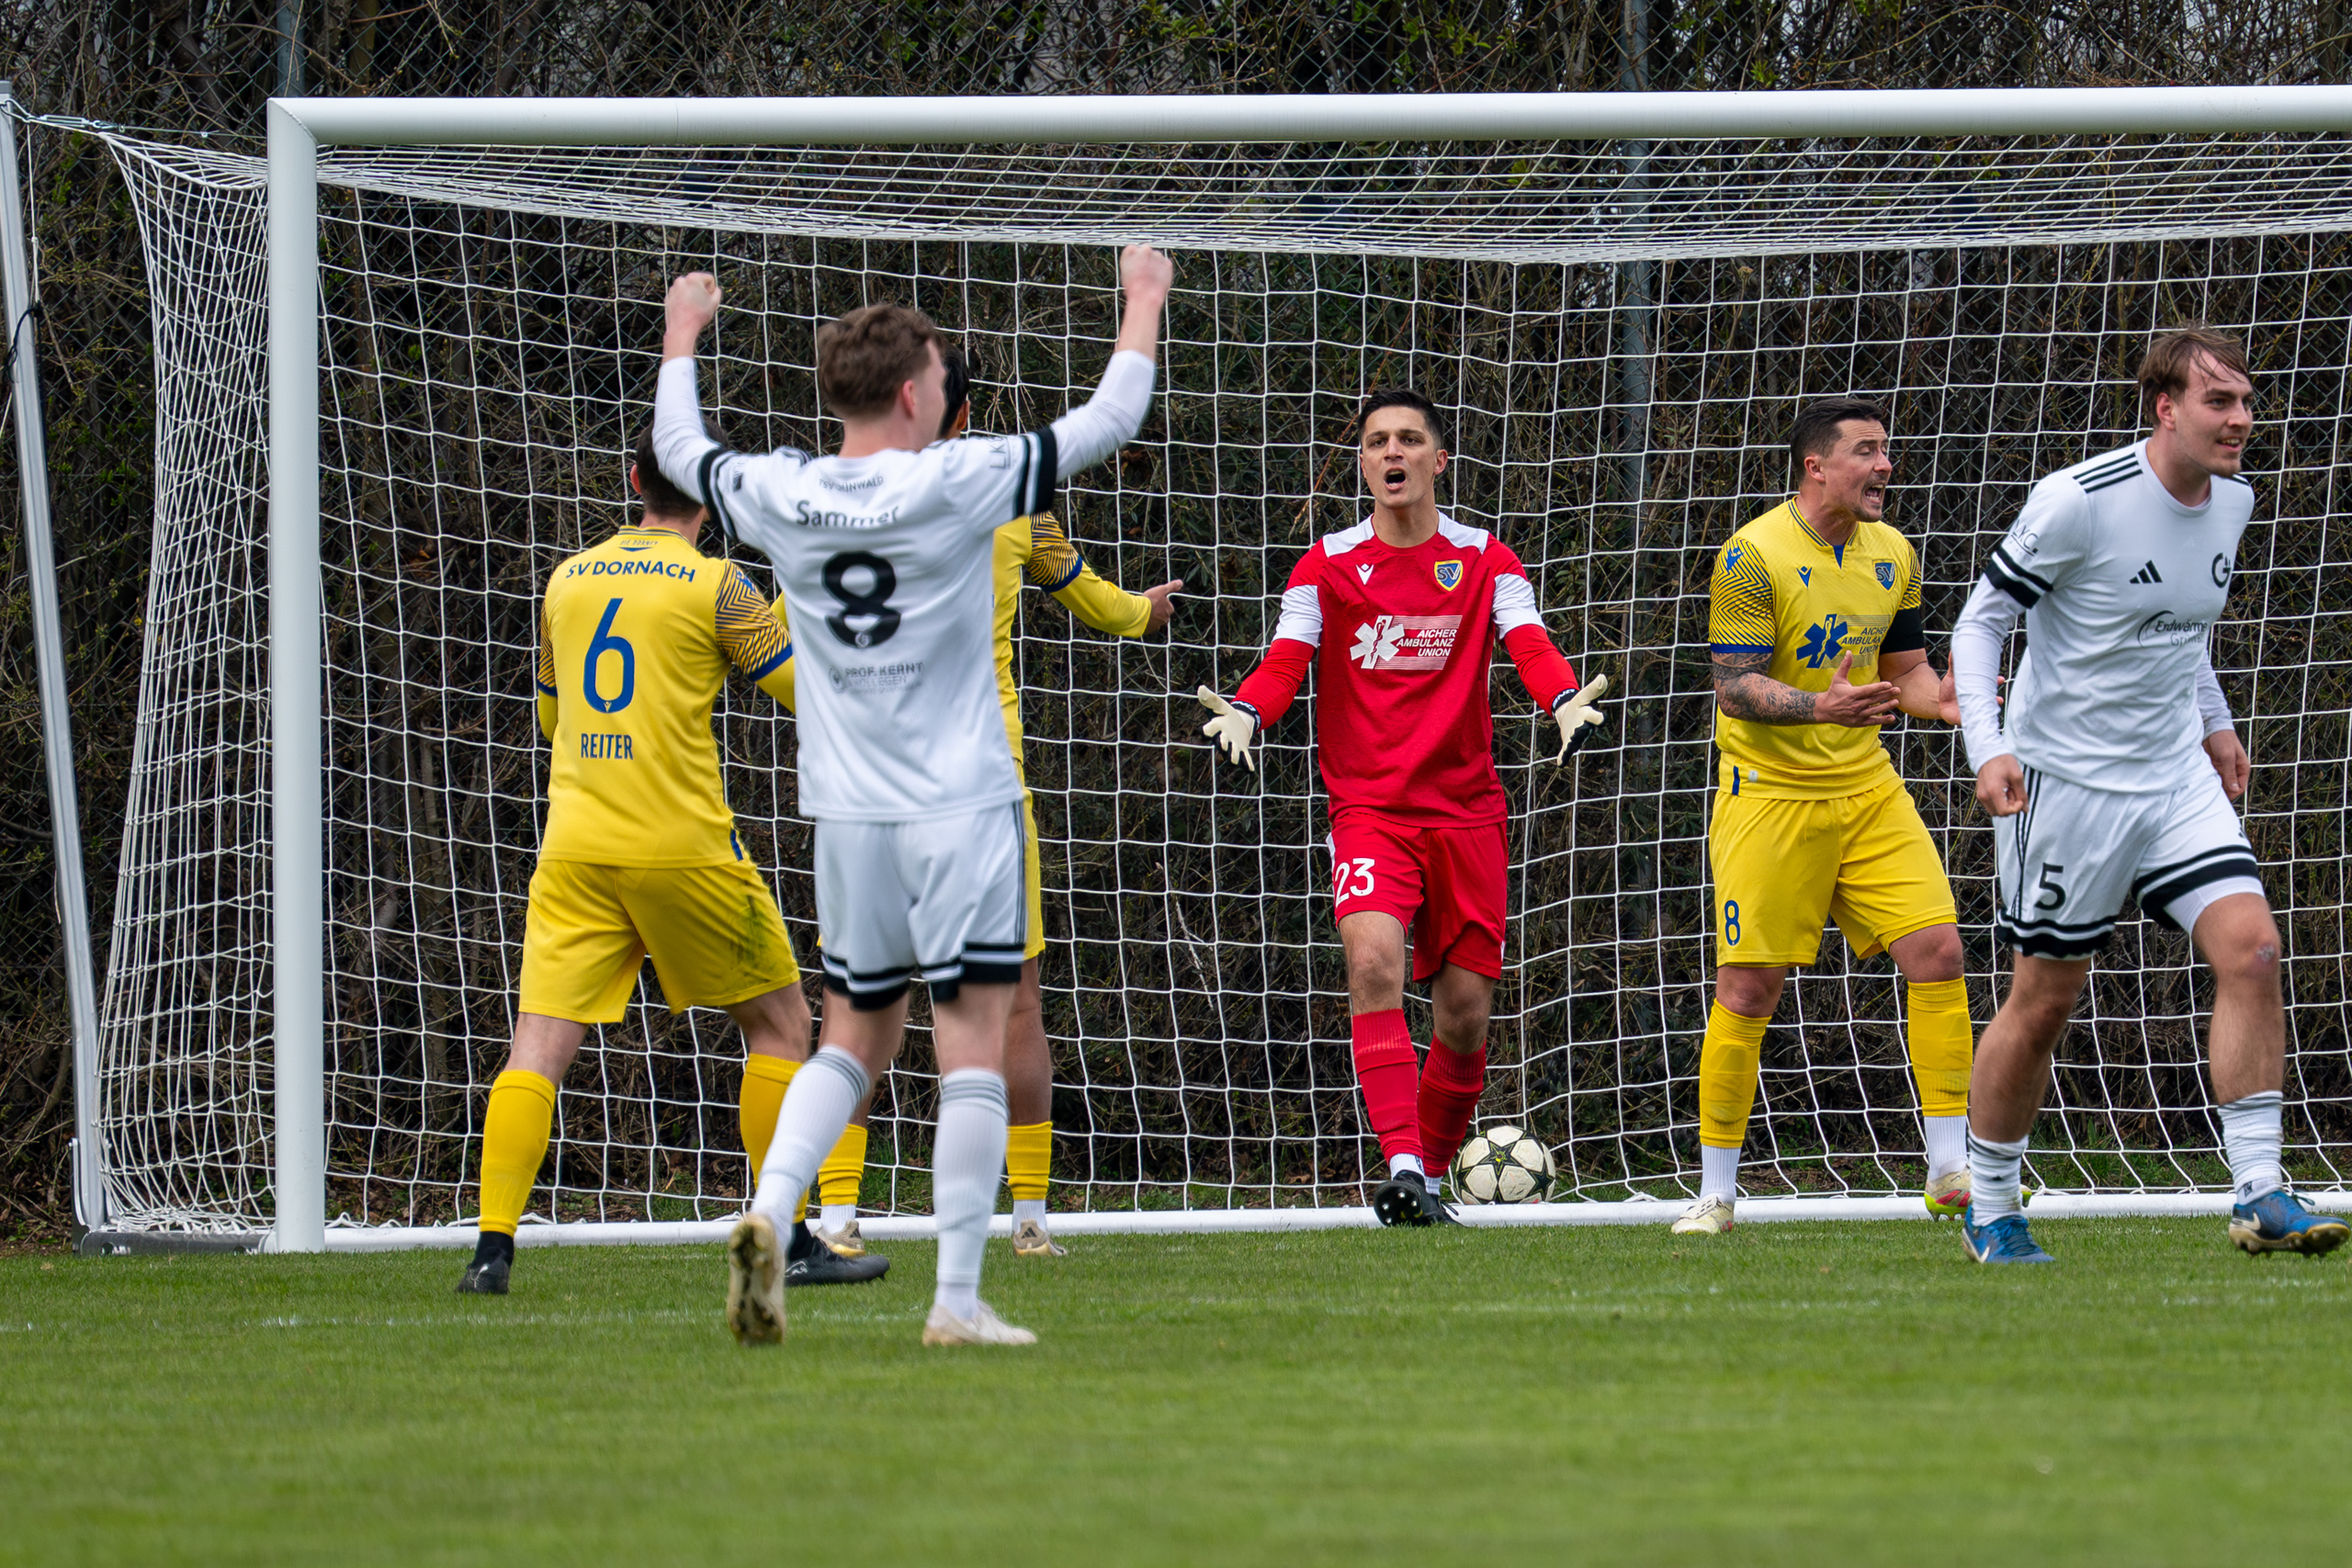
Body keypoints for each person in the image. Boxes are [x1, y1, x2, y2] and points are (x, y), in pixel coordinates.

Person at [653, 244, 1172, 1345]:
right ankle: (956, 1299)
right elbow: (1111, 416)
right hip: (961, 808)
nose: (948, 389)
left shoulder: (781, 487)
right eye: (940, 374)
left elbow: (679, 448)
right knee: (969, 1043)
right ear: (909, 392)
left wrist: (683, 335)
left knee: (849, 1042)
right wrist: (1142, 298)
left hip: (845, 815)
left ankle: (766, 1211)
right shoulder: (960, 477)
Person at [768, 353, 1182, 1262]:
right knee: (1012, 1004)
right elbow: (1096, 601)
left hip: (869, 781)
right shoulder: (1002, 491)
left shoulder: (827, 500)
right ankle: (1026, 1218)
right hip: (979, 781)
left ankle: (829, 1214)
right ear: (962, 415)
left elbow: (783, 638)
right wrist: (1143, 613)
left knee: (854, 1009)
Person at [1950, 326, 2346, 1263]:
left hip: (2171, 778)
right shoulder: (2078, 502)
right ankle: (1993, 1204)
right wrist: (1987, 746)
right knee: (2043, 1002)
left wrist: (2212, 723)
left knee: (2251, 951)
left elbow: (2179, 631)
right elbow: (1981, 623)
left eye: (2246, 403)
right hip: (2066, 786)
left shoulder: (2234, 503)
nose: (2240, 420)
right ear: (2163, 407)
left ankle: (2259, 1191)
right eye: (2219, 402)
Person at [457, 432, 883, 1294]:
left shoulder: (568, 578)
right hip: (680, 847)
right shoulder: (719, 584)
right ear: (713, 497)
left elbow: (550, 720)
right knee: (781, 1025)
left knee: (536, 1043)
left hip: (575, 845)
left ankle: (490, 1251)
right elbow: (812, 693)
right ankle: (787, 1233)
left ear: (631, 480)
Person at [1195, 389, 1606, 1226]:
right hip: (1371, 811)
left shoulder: (1486, 557)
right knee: (1373, 962)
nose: (1392, 452)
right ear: (1365, 464)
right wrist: (1246, 707)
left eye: (1410, 439)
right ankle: (1405, 1162)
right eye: (1378, 441)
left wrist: (1561, 696)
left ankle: (1424, 1178)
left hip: (1467, 815)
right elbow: (1285, 659)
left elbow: (1526, 638)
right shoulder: (1327, 564)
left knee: (1464, 1017)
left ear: (1438, 459)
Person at [1674, 397, 1974, 1236]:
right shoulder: (1752, 554)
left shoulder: (1894, 553)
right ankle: (1717, 1194)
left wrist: (1940, 703)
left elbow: (1905, 671)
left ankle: (1952, 1166)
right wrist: (1819, 707)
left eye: (1887, 450)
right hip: (1769, 795)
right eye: (1867, 452)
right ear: (1816, 467)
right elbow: (1733, 683)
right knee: (1749, 986)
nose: (1886, 466)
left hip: (1867, 789)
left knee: (1939, 948)